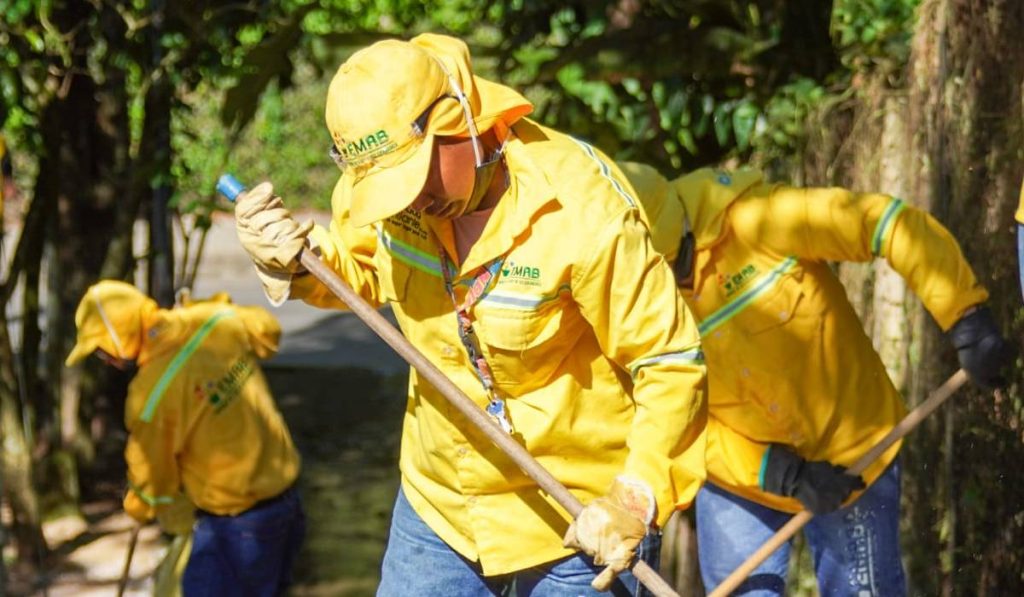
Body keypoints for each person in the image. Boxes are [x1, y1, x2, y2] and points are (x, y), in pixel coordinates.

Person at [233, 33, 708, 595]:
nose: (409, 202)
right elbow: (359, 273)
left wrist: (637, 497)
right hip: (441, 506)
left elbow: (670, 361)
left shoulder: (583, 211)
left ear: (458, 119)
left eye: (415, 178)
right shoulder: (388, 194)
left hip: (580, 517)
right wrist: (298, 260)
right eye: (388, 189)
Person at [620, 162, 1013, 596]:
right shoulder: (625, 298)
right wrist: (777, 472)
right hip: (738, 474)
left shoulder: (760, 218)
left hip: (852, 453)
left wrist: (965, 315)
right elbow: (668, 418)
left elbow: (883, 223)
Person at [65, 281, 305, 597]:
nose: (104, 359)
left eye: (101, 349)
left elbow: (152, 481)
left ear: (118, 337)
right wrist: (219, 308)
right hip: (288, 504)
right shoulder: (212, 321)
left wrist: (139, 506)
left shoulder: (152, 395)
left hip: (235, 529)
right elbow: (267, 332)